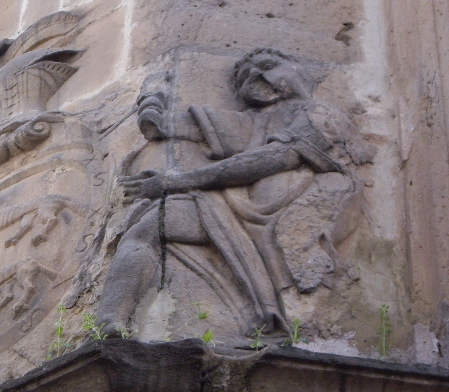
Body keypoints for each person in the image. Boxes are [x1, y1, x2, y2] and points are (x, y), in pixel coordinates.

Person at [96, 48, 374, 338]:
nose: (255, 76)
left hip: (287, 213)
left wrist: (176, 182)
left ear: (301, 73)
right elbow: (183, 126)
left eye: (267, 66)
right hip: (236, 206)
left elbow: (278, 156)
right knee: (149, 225)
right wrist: (153, 105)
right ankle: (108, 324)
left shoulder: (321, 114)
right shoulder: (257, 120)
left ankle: (288, 317)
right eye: (244, 78)